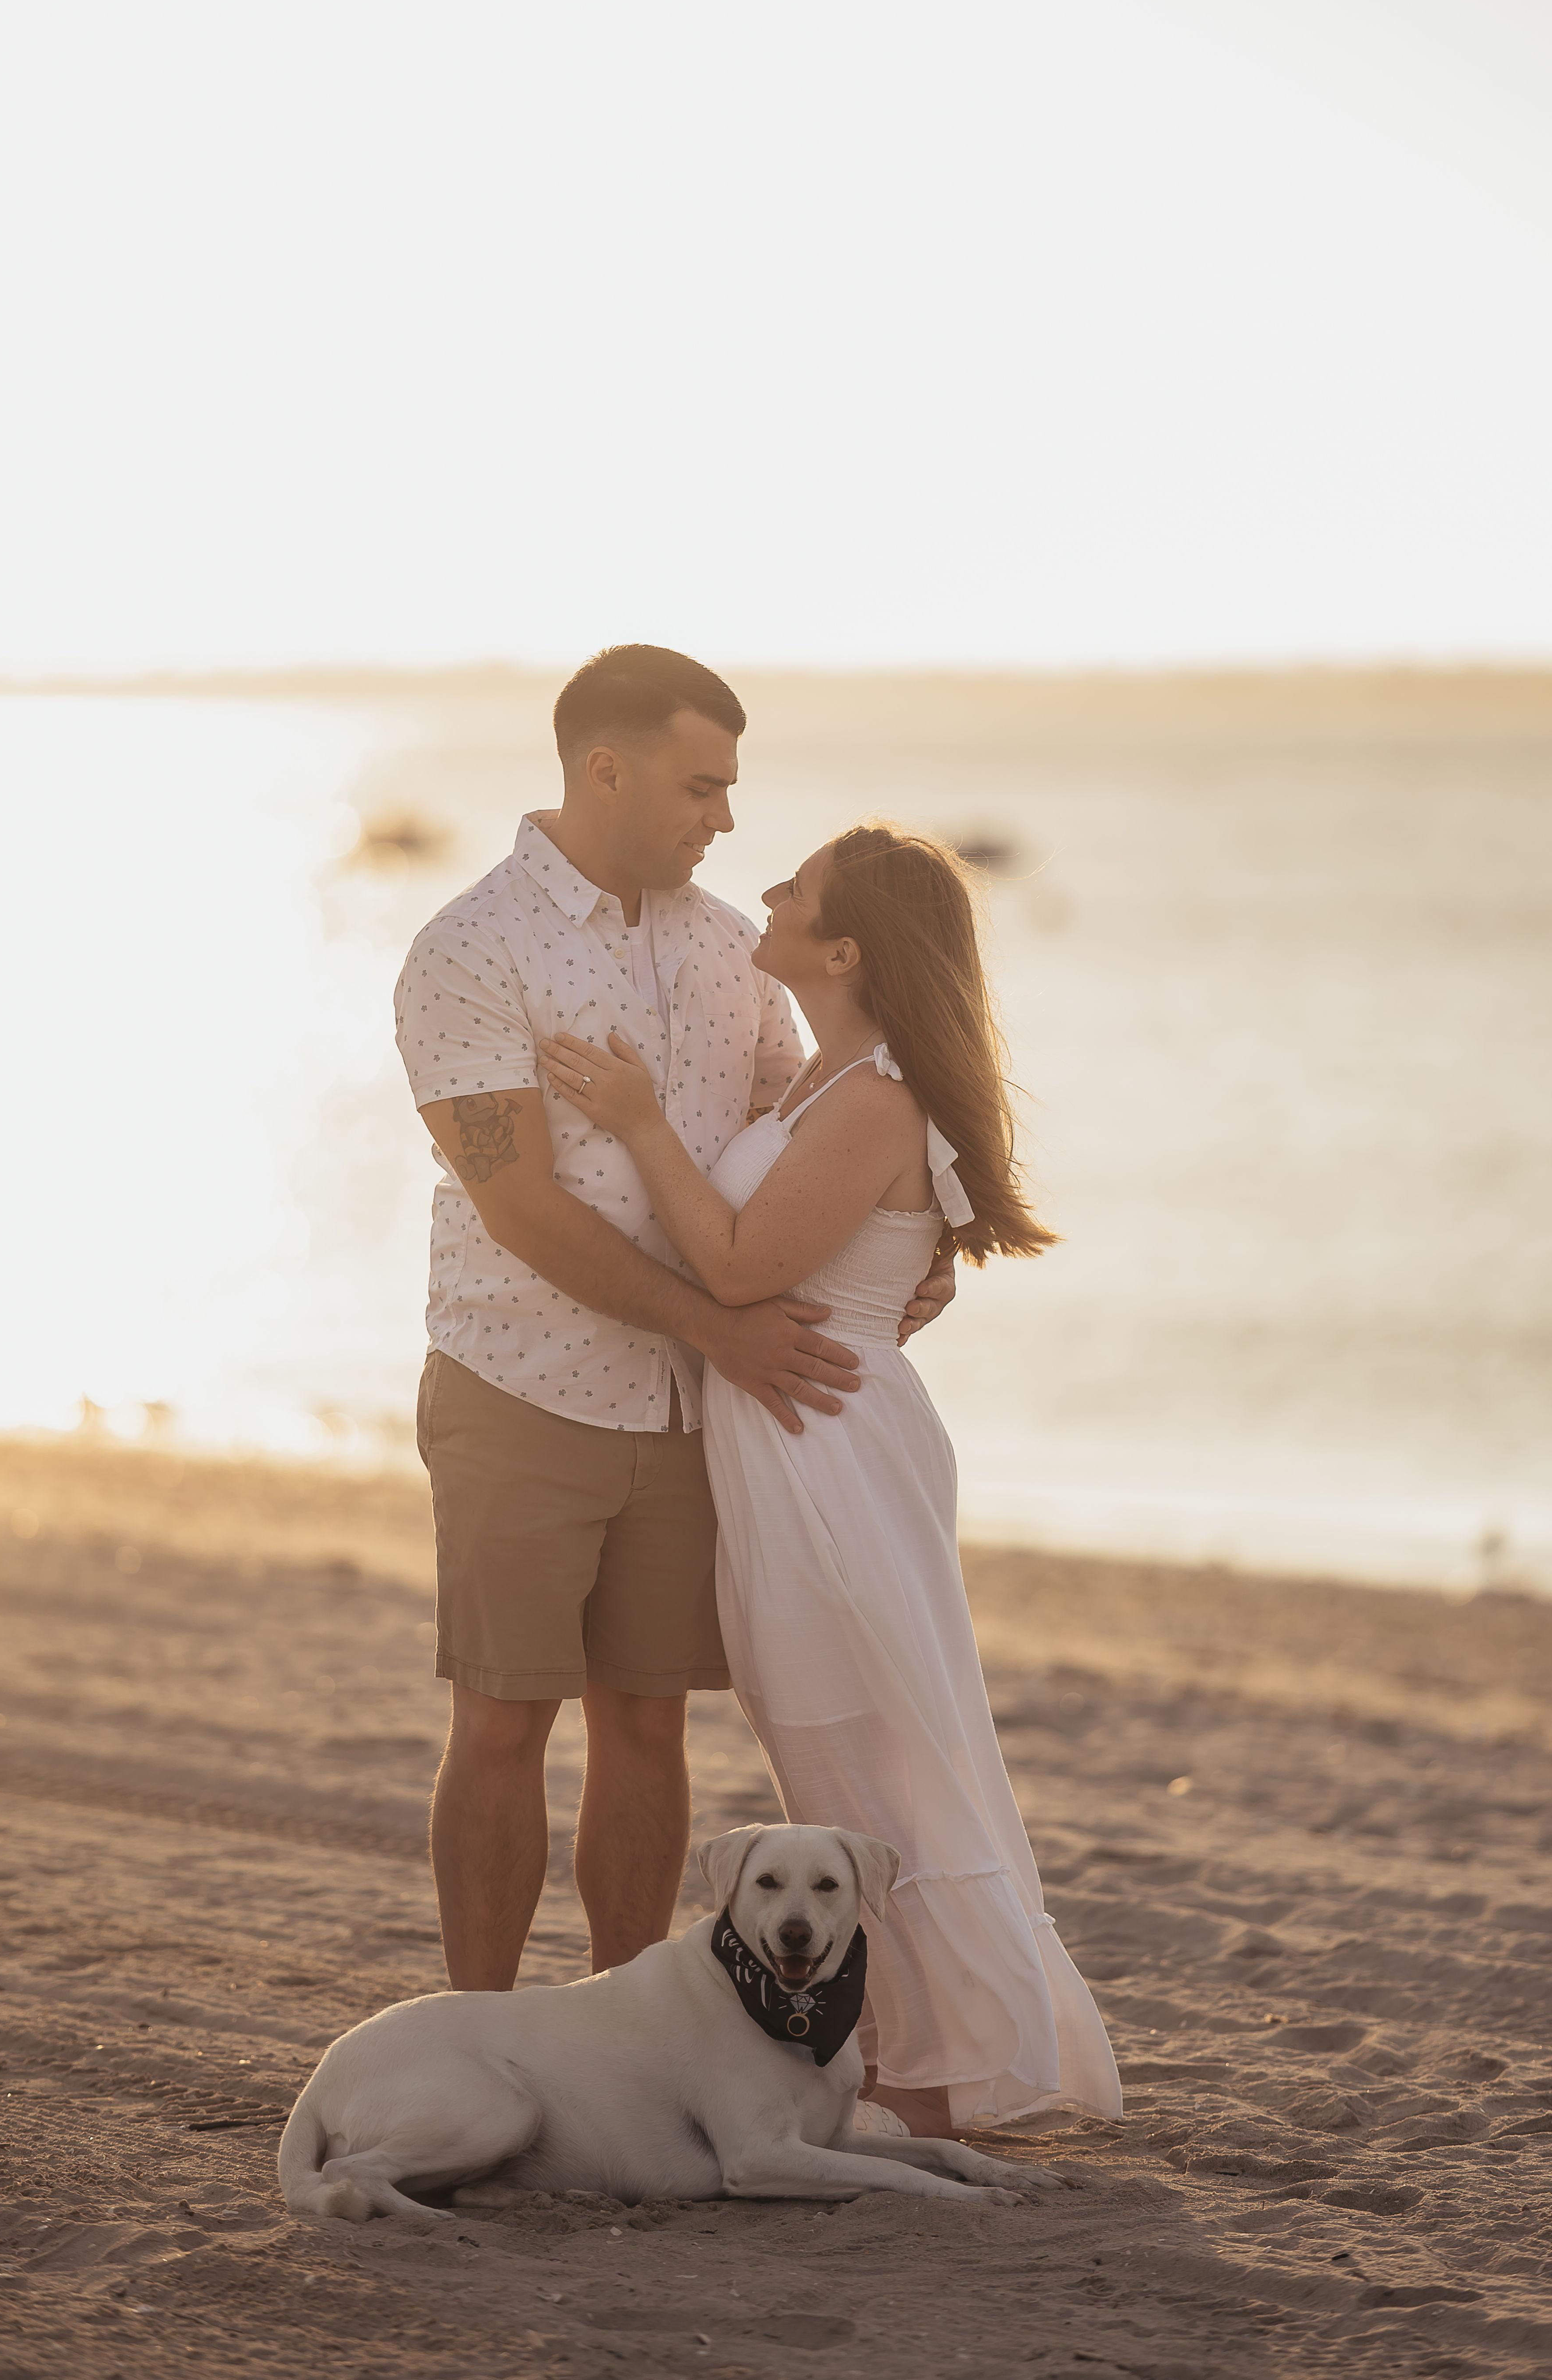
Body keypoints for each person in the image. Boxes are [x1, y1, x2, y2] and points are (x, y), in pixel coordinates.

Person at [538, 823, 1123, 2136]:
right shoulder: (826, 1076)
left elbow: (741, 1268)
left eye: (796, 890)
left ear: (846, 951)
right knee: (839, 1747)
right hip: (792, 1437)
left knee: (874, 1752)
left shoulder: (874, 1098)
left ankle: (944, 2067)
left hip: (831, 1443)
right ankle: (918, 2050)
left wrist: (636, 1121)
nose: (767, 891)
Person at [391, 646, 956, 1995]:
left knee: (648, 1725)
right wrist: (717, 1327)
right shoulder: (469, 949)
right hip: (522, 1384)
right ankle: (481, 2030)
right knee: (502, 1724)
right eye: (703, 787)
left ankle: (622, 2030)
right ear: (607, 768)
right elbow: (518, 1203)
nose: (725, 818)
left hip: (697, 1410)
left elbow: (805, 1134)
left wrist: (906, 1260)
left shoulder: (726, 949)